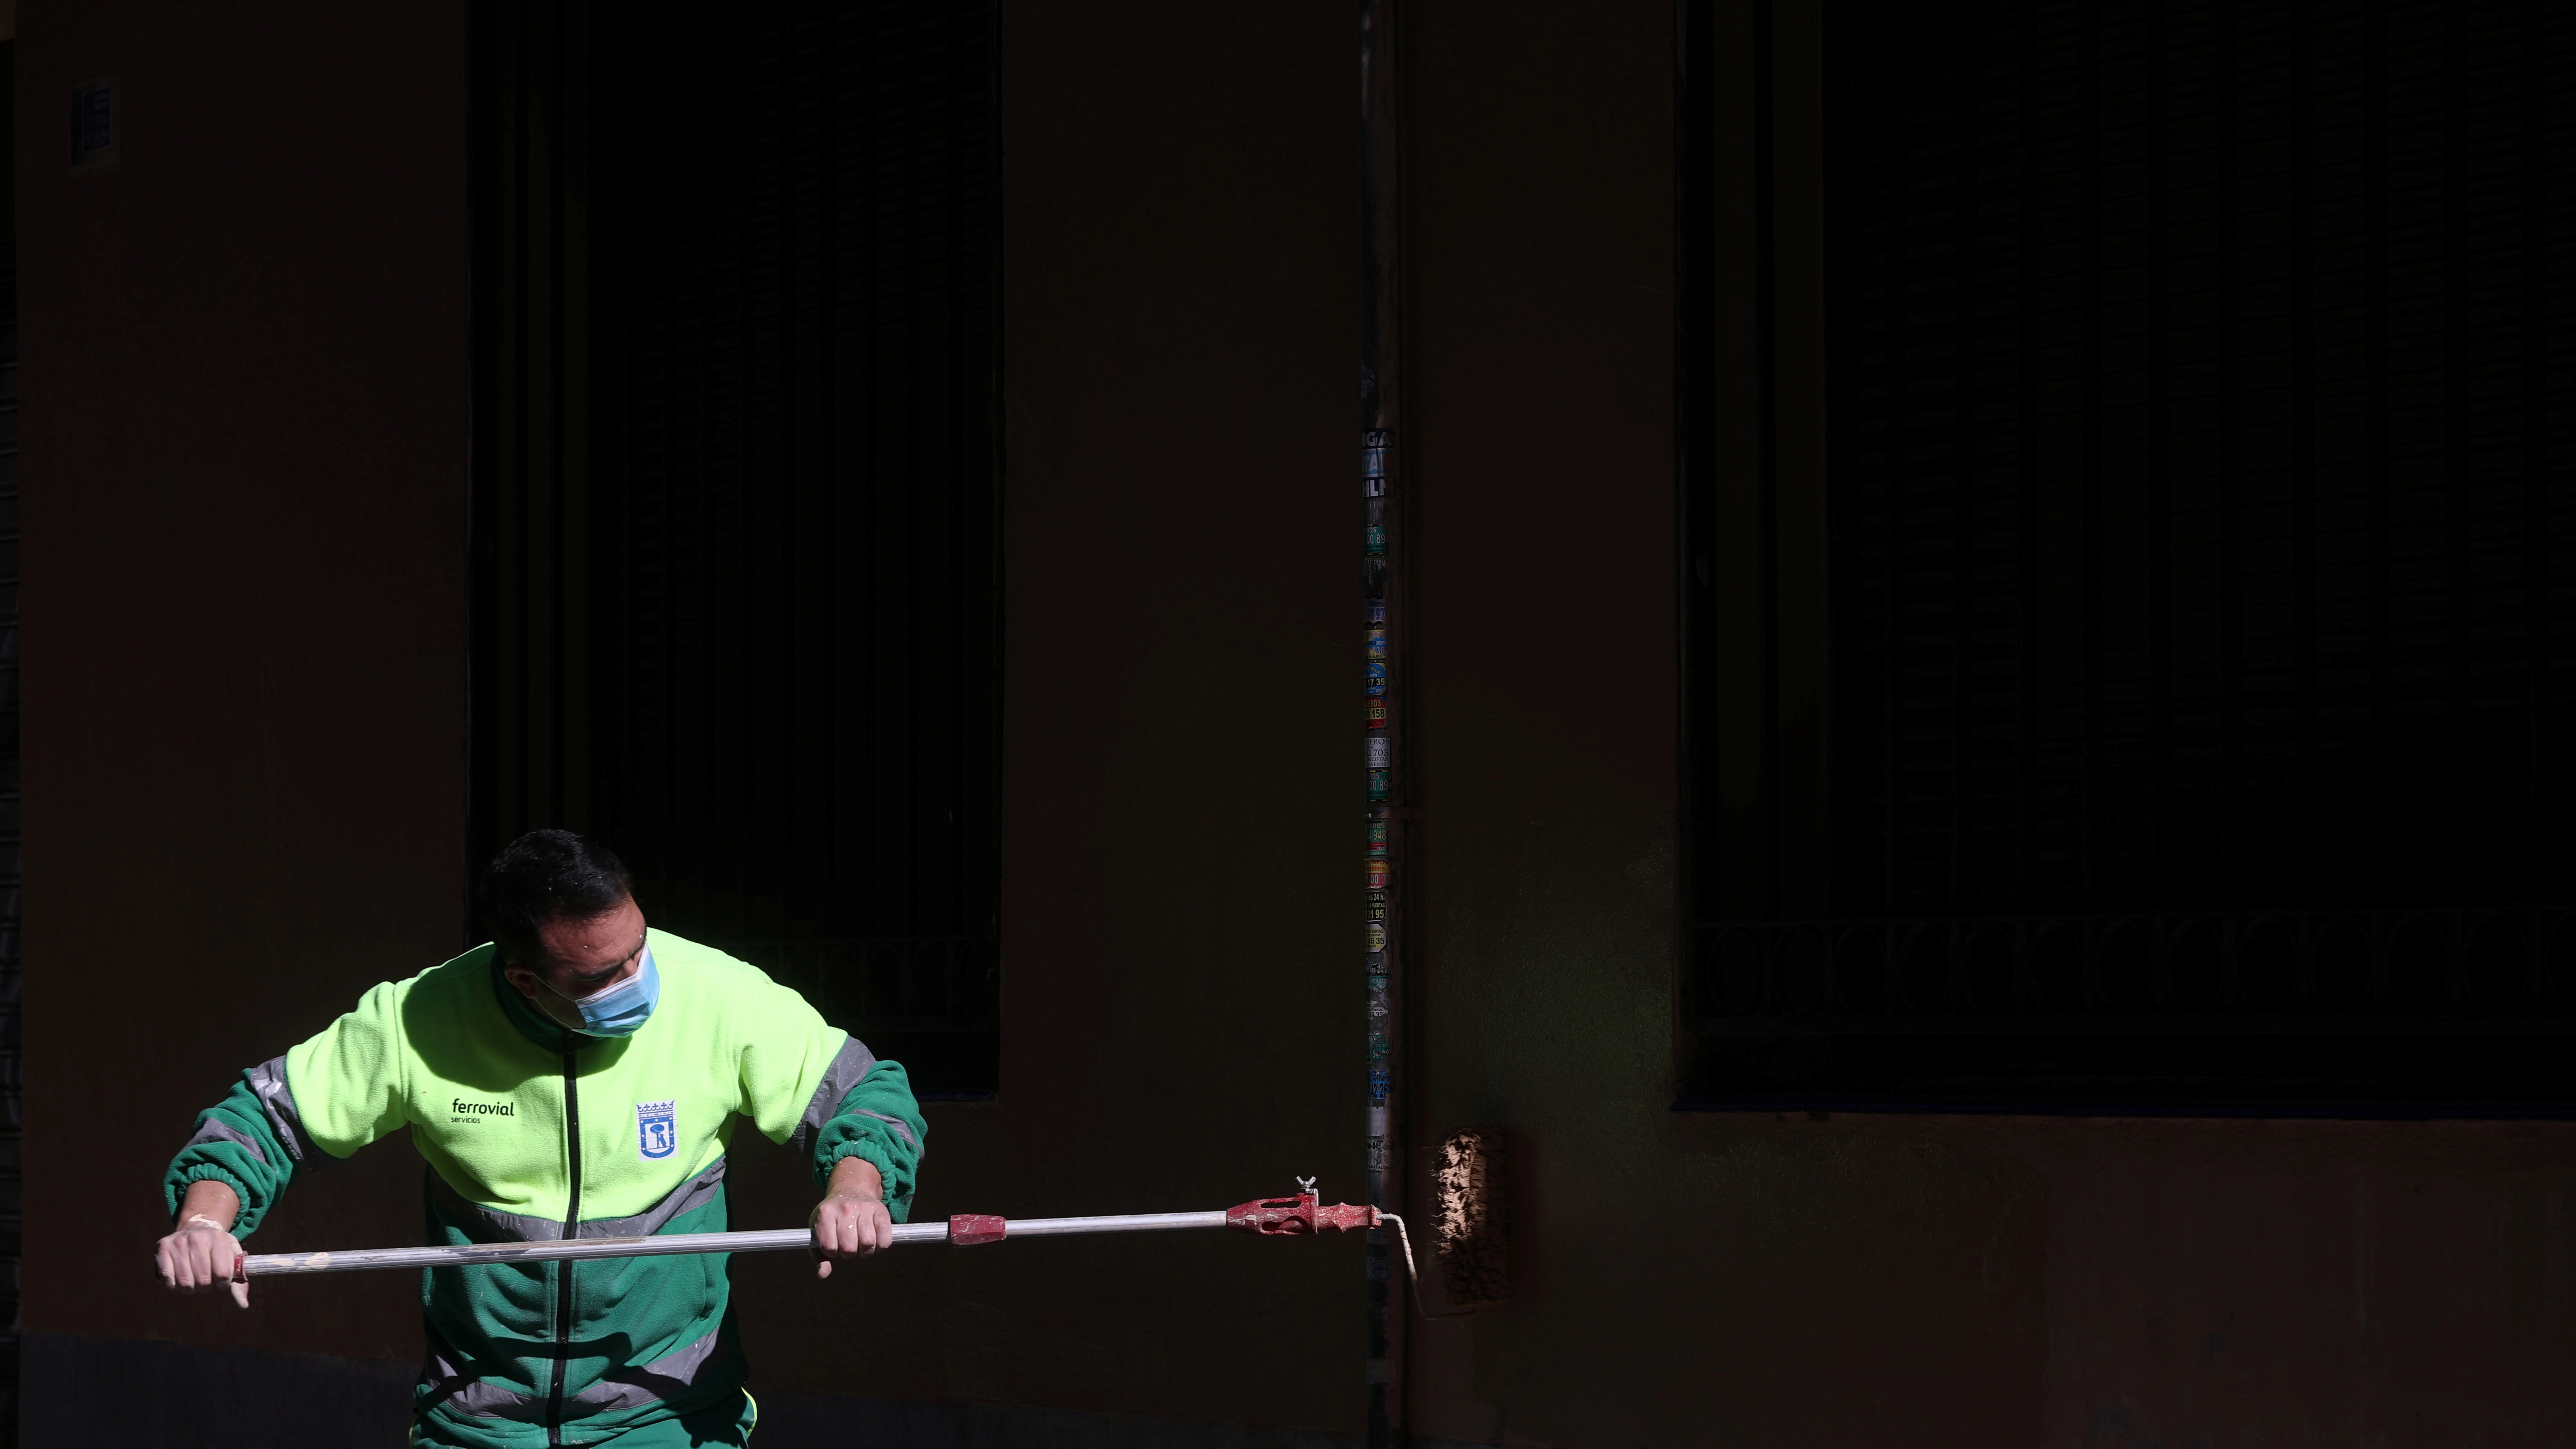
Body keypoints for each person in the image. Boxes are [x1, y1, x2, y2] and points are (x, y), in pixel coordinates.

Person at [151, 829, 926, 1447]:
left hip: (668, 1416)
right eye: (602, 976)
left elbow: (865, 1092)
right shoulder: (417, 1019)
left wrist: (856, 1185)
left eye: (638, 950)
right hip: (478, 1420)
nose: (637, 983)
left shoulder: (717, 993)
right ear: (526, 979)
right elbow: (264, 1117)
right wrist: (205, 1220)